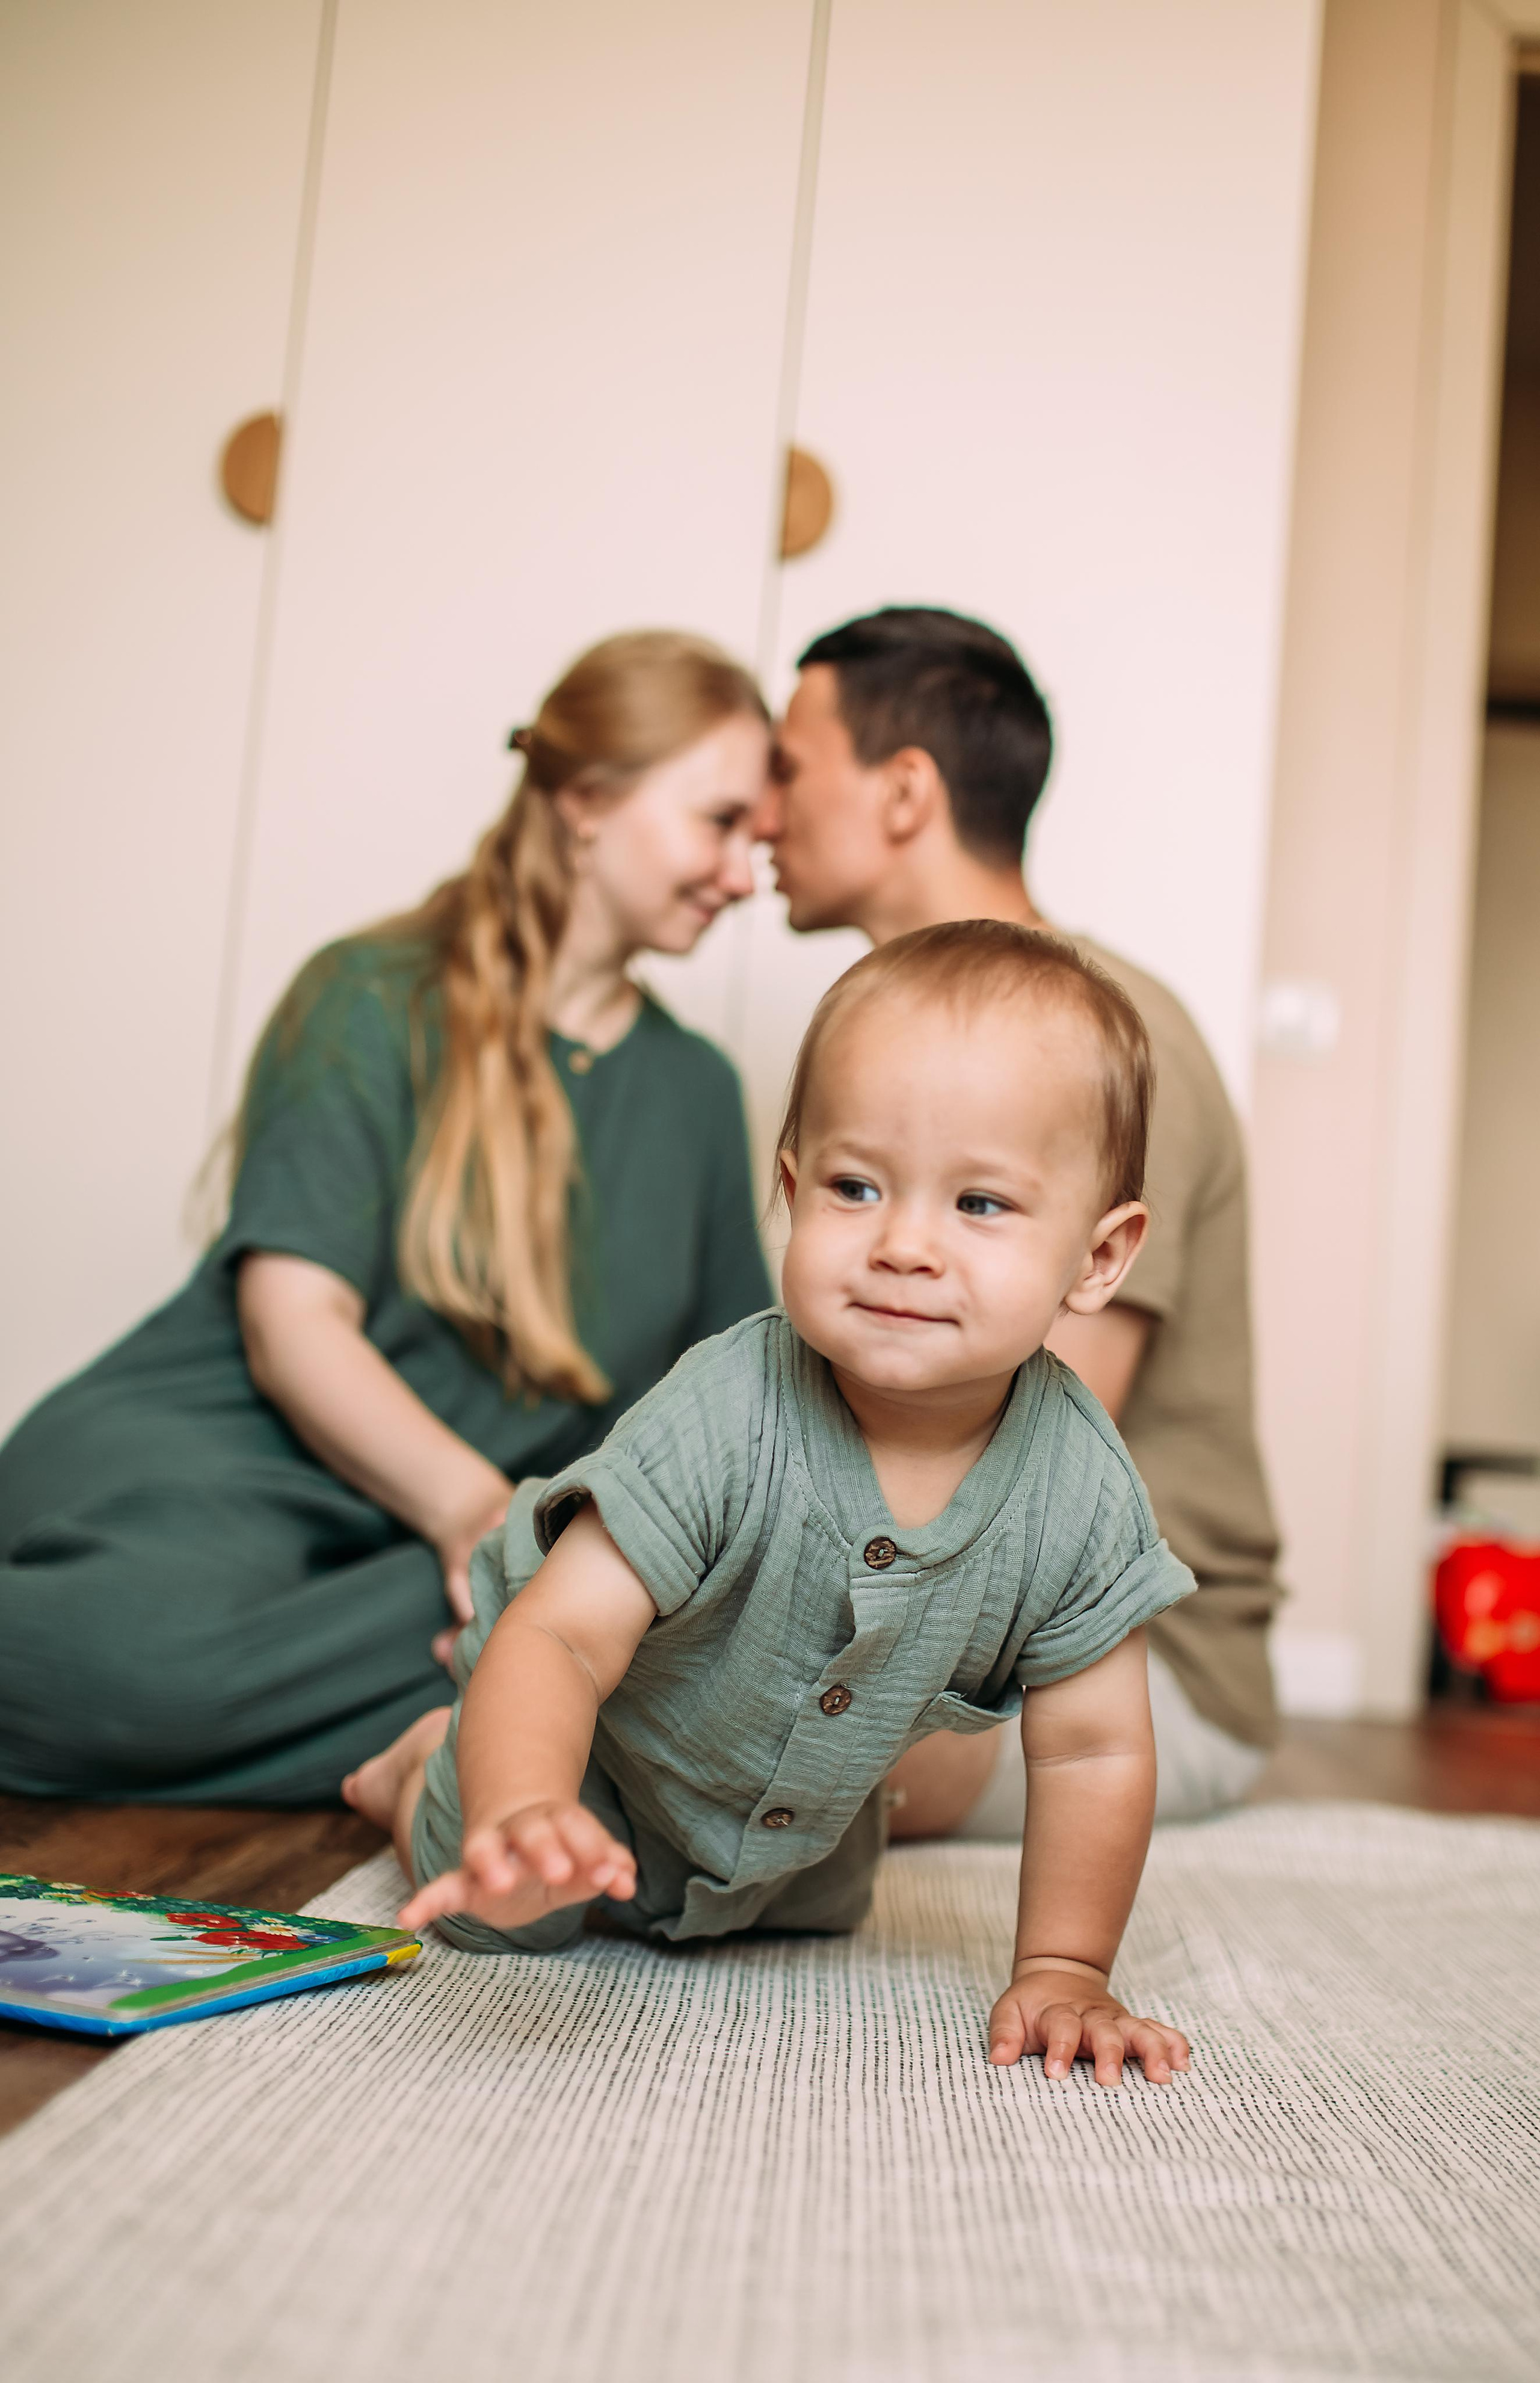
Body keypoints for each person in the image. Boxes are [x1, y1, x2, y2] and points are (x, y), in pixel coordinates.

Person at [347, 924, 1195, 2088]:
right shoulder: (732, 1406)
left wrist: (1063, 1962)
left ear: (1098, 1259)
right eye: (857, 1186)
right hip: (591, 1746)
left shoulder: (1081, 1491)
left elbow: (1096, 1748)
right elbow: (560, 1633)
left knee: (812, 1914)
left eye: (982, 1204)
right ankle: (423, 1769)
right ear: (791, 1193)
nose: (904, 1244)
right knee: (502, 1910)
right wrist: (524, 1798)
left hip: (795, 1822)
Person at [0, 631, 773, 1805]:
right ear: (585, 801)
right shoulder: (367, 997)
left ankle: (474, 1725)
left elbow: (735, 1401)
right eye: (719, 823)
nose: (742, 873)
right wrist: (476, 1515)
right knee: (137, 1666)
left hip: (428, 1556)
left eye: (758, 841)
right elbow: (291, 1320)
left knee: (630, 1657)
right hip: (229, 1472)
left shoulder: (696, 1091)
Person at [759, 606, 1283, 1835]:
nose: (760, 810)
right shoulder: (891, 1064)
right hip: (940, 1610)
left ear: (902, 793)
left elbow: (1005, 1459)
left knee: (743, 1750)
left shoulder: (1106, 1045)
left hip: (1137, 1669)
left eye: (788, 767)